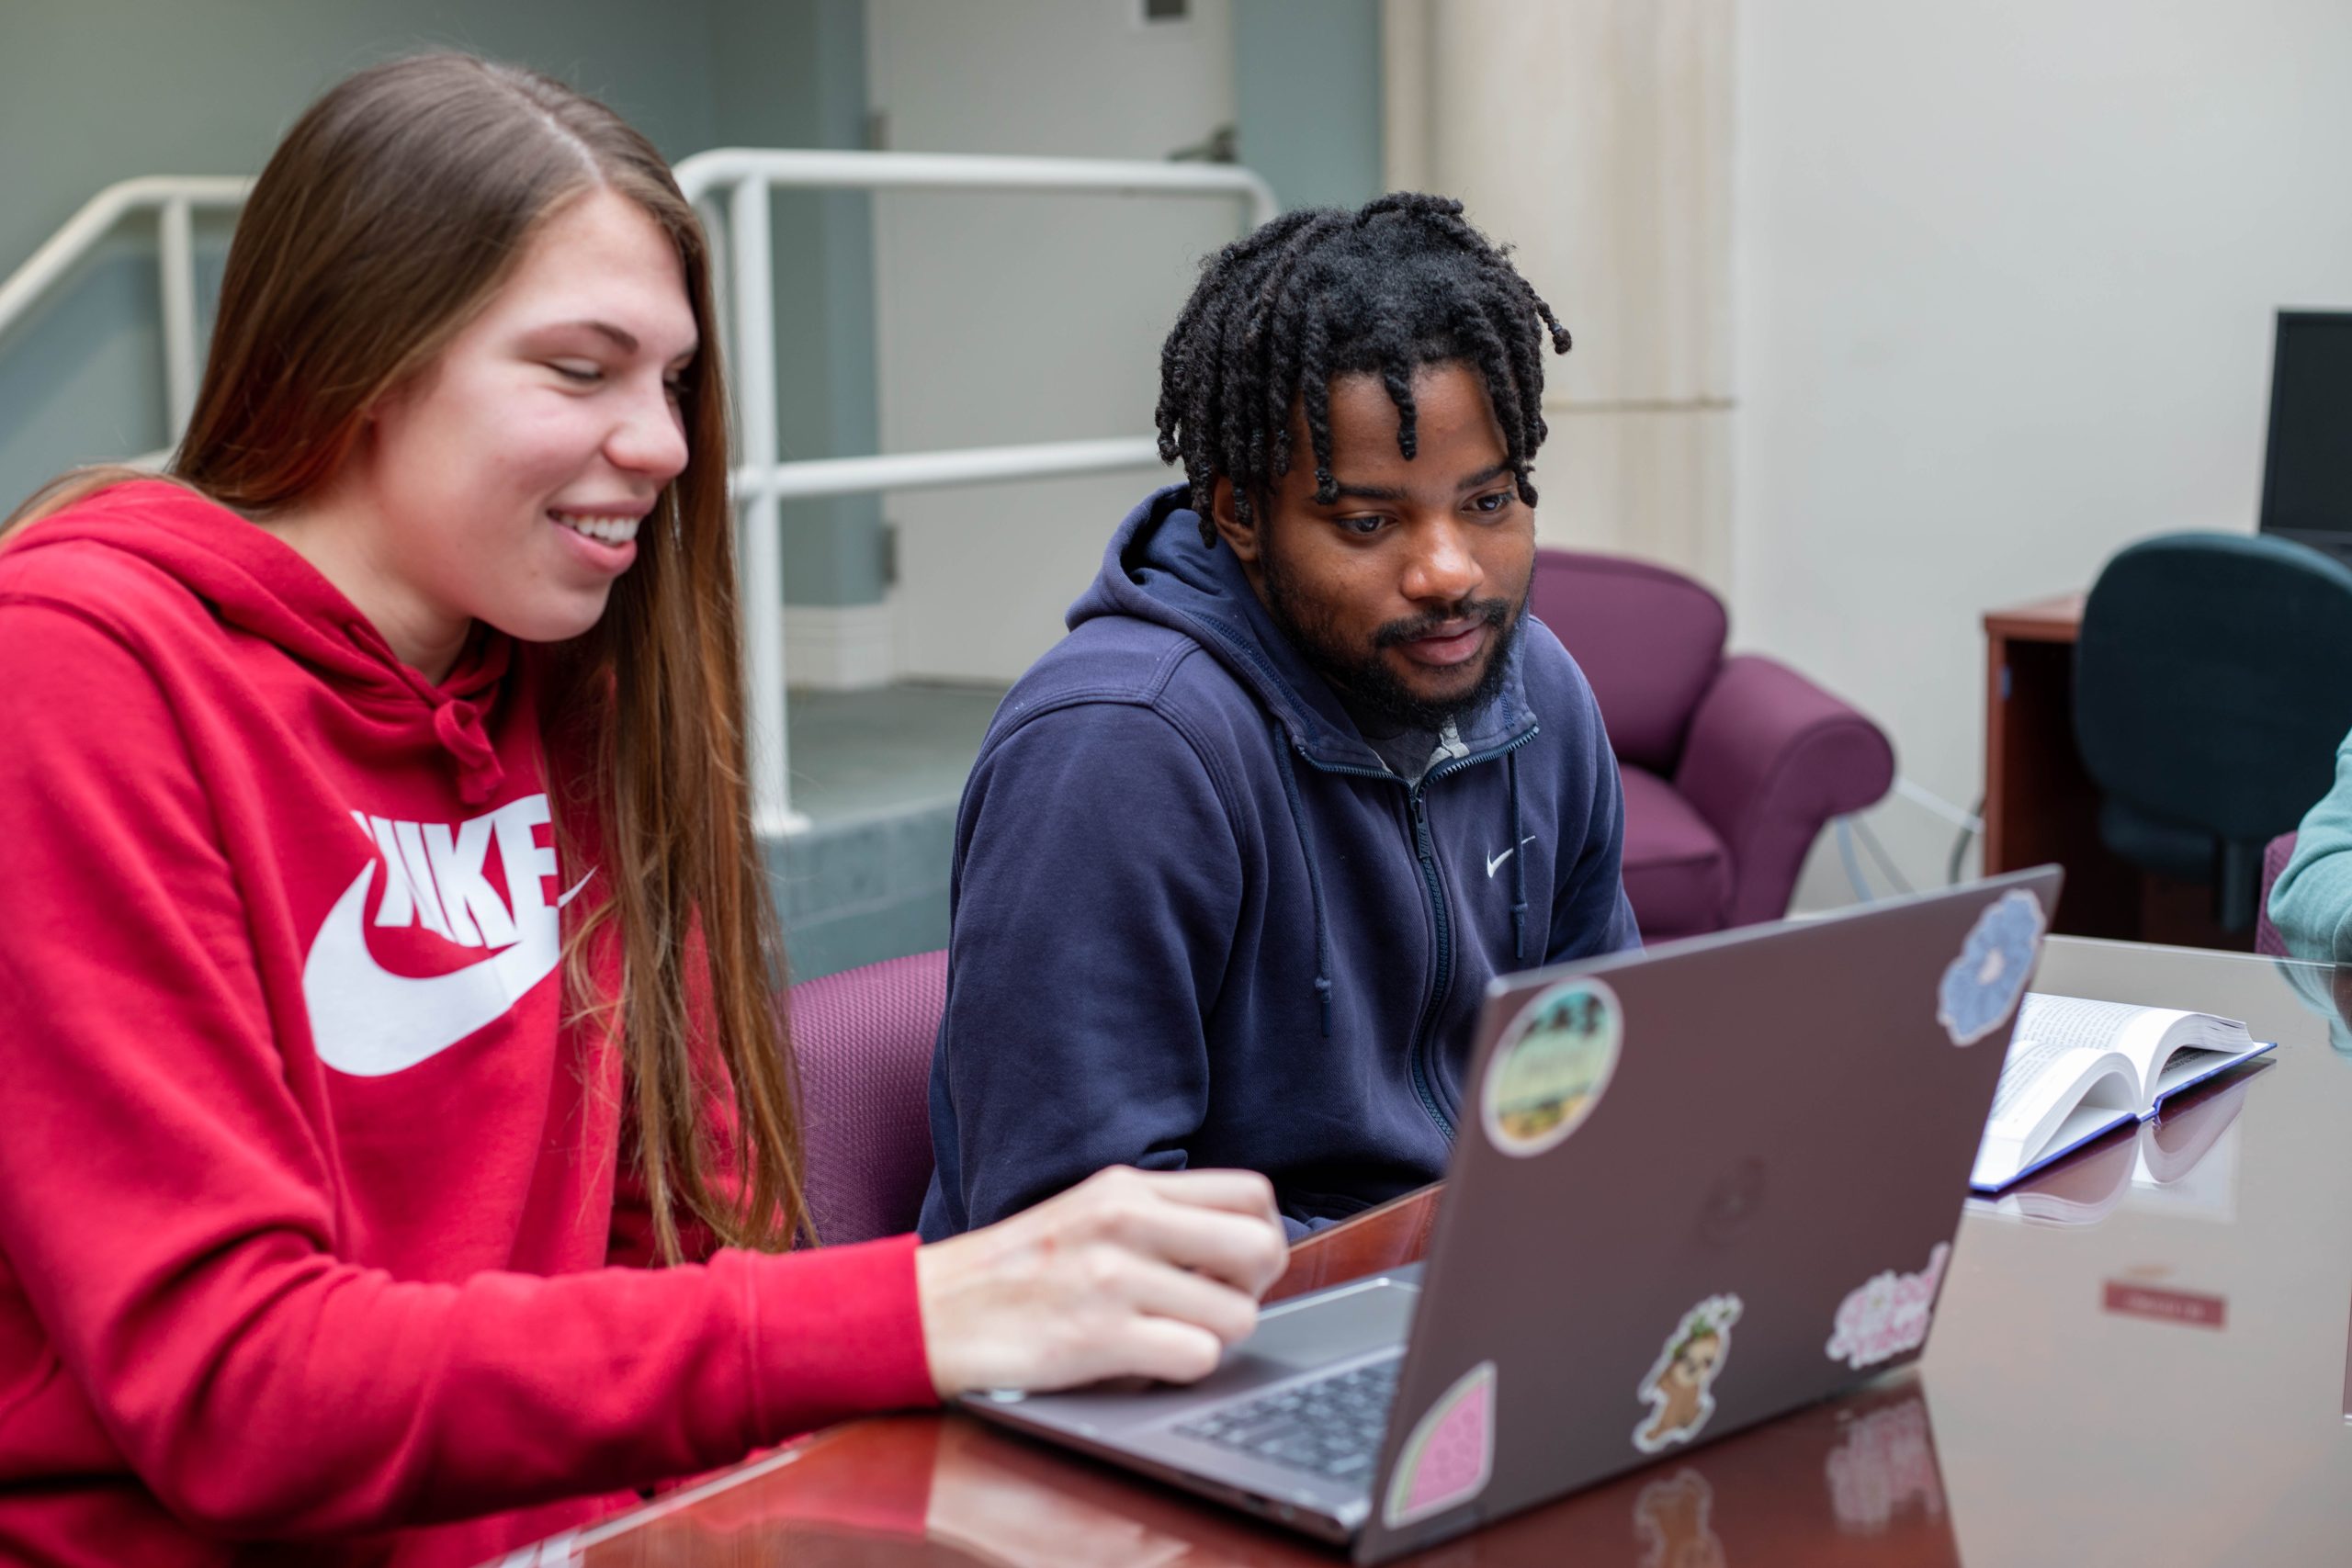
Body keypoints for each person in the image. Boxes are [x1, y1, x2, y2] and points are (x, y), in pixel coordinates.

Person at [0, 55, 1284, 1567]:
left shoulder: (573, 687)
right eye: (580, 368)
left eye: (671, 379)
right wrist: (920, 1311)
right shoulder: (72, 668)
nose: (667, 446)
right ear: (358, 354)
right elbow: (242, 1389)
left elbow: (679, 1239)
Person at [920, 196, 1641, 1244]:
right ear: (1239, 514)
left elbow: (1595, 1080)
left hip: (1480, 1291)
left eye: (1487, 504)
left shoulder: (1533, 690)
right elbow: (1070, 1247)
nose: (1448, 573)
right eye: (1367, 521)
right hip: (1198, 1354)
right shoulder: (1122, 747)